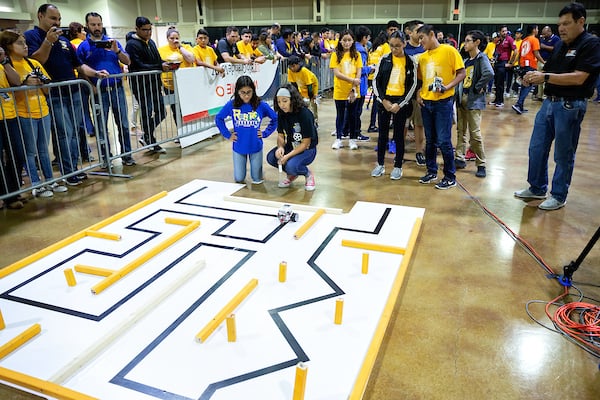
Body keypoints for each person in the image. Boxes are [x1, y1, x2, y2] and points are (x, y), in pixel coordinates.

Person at [514, 2, 600, 211]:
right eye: (559, 24)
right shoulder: (561, 44)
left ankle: (559, 195)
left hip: (570, 106)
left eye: (567, 23)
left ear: (581, 22)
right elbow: (548, 71)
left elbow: (580, 78)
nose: (561, 28)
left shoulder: (591, 44)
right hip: (549, 104)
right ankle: (536, 187)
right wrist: (532, 77)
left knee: (563, 154)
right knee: (536, 148)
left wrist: (546, 77)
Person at [25, 3, 109, 186]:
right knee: (64, 133)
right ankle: (68, 171)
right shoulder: (31, 36)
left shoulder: (64, 40)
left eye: (59, 19)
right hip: (53, 94)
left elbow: (78, 64)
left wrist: (95, 73)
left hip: (73, 92)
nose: (57, 22)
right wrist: (48, 41)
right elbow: (35, 61)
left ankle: (74, 166)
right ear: (40, 16)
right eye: (53, 18)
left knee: (75, 133)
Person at [3, 31, 68, 198]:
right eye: (19, 43)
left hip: (43, 110)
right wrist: (25, 83)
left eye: (24, 42)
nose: (25, 46)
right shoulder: (8, 66)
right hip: (24, 113)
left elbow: (47, 88)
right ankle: (36, 184)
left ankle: (49, 180)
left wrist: (41, 83)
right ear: (8, 46)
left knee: (44, 150)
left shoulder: (32, 63)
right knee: (30, 151)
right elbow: (13, 88)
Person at [77, 11, 135, 166]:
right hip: (98, 93)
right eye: (93, 24)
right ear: (87, 26)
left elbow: (127, 61)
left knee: (123, 123)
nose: (97, 27)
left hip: (117, 89)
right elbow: (80, 69)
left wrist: (116, 51)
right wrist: (91, 86)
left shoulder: (113, 43)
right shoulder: (83, 47)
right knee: (101, 127)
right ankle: (105, 157)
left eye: (99, 24)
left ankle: (127, 155)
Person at [416, 24, 466, 190]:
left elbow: (462, 73)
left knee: (444, 140)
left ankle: (450, 176)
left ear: (431, 35)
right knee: (430, 140)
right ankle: (431, 171)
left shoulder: (449, 51)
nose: (420, 41)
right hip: (426, 102)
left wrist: (448, 86)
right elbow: (421, 81)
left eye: (422, 38)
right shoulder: (422, 58)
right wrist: (419, 95)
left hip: (443, 102)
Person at [370, 31, 417, 180]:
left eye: (397, 46)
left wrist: (401, 104)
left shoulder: (411, 61)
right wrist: (383, 100)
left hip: (401, 103)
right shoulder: (384, 59)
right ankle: (380, 164)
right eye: (391, 46)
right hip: (384, 101)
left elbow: (413, 84)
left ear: (404, 44)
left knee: (398, 136)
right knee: (382, 135)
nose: (394, 49)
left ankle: (397, 166)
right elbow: (375, 81)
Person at [215, 75, 277, 184]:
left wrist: (265, 133)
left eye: (249, 92)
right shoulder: (232, 105)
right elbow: (219, 118)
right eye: (243, 92)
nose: (246, 96)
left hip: (255, 146)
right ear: (237, 92)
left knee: (256, 179)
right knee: (239, 178)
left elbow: (275, 118)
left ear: (253, 90)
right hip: (239, 146)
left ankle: (257, 171)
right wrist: (228, 135)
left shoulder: (260, 105)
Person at [454, 30, 494, 178]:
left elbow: (489, 73)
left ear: (477, 42)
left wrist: (477, 87)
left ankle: (481, 163)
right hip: (462, 98)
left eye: (468, 40)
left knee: (474, 134)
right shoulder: (466, 60)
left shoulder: (481, 58)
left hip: (473, 100)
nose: (465, 44)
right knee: (460, 130)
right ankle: (459, 157)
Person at [126, 16, 169, 154]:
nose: (148, 32)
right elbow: (139, 66)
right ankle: (149, 138)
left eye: (150, 29)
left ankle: (146, 135)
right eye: (145, 30)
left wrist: (165, 64)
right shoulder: (132, 45)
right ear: (137, 29)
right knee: (146, 111)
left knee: (161, 111)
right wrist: (160, 66)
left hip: (155, 83)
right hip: (141, 84)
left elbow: (157, 59)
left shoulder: (151, 43)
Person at [266, 84, 318, 191]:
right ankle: (292, 174)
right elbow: (280, 135)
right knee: (271, 157)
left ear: (292, 99)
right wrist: (280, 147)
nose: (282, 105)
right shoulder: (281, 113)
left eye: (285, 101)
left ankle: (307, 174)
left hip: (307, 150)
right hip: (291, 146)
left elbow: (305, 143)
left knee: (290, 165)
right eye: (279, 102)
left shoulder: (305, 114)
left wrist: (287, 156)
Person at [0, 43, 27, 209]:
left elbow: (16, 81)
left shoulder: (4, 65)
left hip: (10, 115)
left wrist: (5, 62)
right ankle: (4, 194)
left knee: (17, 153)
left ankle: (13, 192)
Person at [330, 29, 362, 150]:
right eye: (344, 40)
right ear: (340, 41)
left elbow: (358, 72)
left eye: (349, 40)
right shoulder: (335, 54)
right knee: (340, 115)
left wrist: (354, 87)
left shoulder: (357, 55)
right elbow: (337, 73)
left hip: (353, 90)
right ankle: (339, 138)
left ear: (353, 41)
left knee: (353, 115)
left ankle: (352, 139)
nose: (347, 43)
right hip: (340, 90)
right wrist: (352, 80)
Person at [158, 27, 196, 126]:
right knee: (175, 109)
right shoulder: (161, 50)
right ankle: (180, 131)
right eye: (172, 38)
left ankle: (190, 130)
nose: (175, 40)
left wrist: (180, 47)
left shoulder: (186, 47)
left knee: (188, 108)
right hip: (169, 85)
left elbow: (191, 59)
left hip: (185, 84)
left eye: (177, 38)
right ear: (167, 39)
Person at [403, 19, 426, 165]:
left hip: (420, 92)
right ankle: (400, 150)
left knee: (419, 124)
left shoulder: (426, 49)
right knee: (403, 124)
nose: (421, 33)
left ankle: (419, 151)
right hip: (404, 93)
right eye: (418, 30)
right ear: (409, 32)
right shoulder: (403, 49)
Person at [511, 24, 544, 115]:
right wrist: (544, 62)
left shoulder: (524, 40)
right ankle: (518, 104)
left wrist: (516, 64)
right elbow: (536, 53)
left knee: (524, 84)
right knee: (529, 85)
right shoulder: (535, 39)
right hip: (530, 65)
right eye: (537, 28)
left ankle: (520, 106)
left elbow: (520, 54)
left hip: (523, 65)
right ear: (534, 30)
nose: (538, 30)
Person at [354, 25, 373, 141]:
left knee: (353, 110)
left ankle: (349, 131)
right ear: (364, 38)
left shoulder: (355, 48)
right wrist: (370, 68)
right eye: (368, 38)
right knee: (357, 111)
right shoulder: (360, 51)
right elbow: (360, 69)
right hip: (359, 84)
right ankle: (356, 132)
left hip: (357, 84)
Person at [286, 55, 319, 123]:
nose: (292, 68)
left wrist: (312, 96)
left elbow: (309, 85)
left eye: (294, 66)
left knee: (312, 105)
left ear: (298, 65)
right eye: (290, 66)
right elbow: (293, 84)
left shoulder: (304, 71)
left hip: (312, 86)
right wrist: (297, 95)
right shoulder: (290, 70)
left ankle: (314, 121)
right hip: (301, 88)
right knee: (301, 105)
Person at [490, 25, 515, 107]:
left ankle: (500, 101)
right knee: (496, 82)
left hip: (504, 62)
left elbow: (516, 51)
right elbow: (497, 51)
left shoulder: (509, 39)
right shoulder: (499, 40)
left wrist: (511, 63)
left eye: (506, 31)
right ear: (500, 32)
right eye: (503, 31)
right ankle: (496, 99)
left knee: (500, 83)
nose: (505, 32)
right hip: (497, 62)